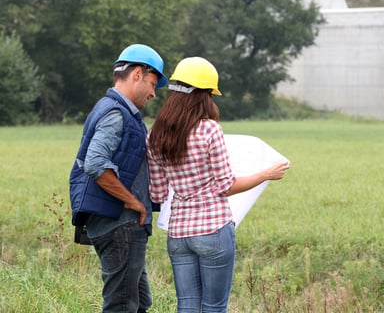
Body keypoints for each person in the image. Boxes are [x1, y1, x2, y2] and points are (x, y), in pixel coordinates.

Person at [146, 57, 290, 313]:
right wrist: (266, 174)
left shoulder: (155, 134)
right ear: (202, 95)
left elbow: (157, 192)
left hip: (178, 234)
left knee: (187, 306)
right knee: (214, 308)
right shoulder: (209, 130)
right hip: (213, 230)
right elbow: (226, 185)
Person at [69, 44, 168, 313]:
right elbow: (96, 164)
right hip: (120, 224)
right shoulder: (115, 113)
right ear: (137, 74)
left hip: (120, 225)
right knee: (122, 305)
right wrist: (132, 201)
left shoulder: (116, 110)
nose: (152, 94)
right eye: (152, 84)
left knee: (139, 302)